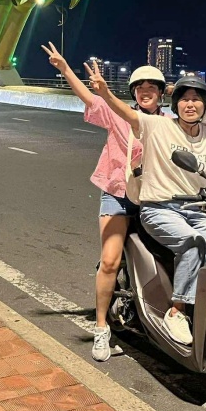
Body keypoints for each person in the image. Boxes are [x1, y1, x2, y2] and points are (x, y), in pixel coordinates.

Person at [87, 67, 206, 346]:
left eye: (196, 99)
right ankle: (176, 311)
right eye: (184, 99)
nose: (190, 104)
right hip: (156, 206)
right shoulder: (158, 125)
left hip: (194, 209)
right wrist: (105, 92)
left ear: (205, 105)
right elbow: (127, 114)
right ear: (175, 104)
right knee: (191, 243)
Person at [41, 42, 168, 361]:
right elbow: (90, 98)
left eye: (151, 88)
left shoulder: (169, 124)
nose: (145, 92)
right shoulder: (119, 115)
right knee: (110, 261)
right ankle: (101, 328)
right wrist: (65, 69)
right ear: (134, 93)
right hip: (118, 194)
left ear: (161, 93)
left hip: (154, 199)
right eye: (140, 88)